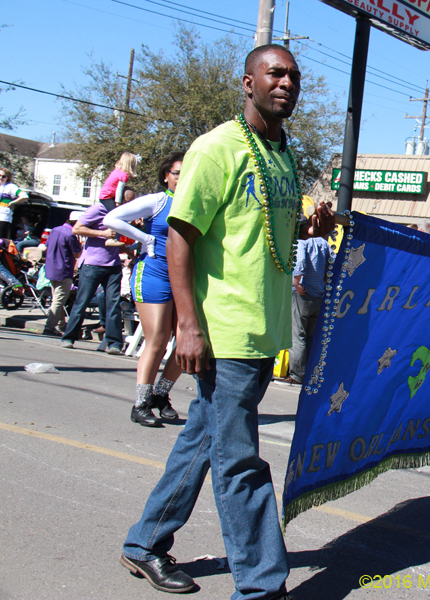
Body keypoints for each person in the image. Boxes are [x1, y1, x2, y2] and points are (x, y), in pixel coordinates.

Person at [120, 44, 334, 599]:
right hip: (225, 331)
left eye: (293, 76)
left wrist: (313, 228)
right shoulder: (216, 148)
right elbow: (180, 237)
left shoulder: (284, 153)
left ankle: (144, 543)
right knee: (239, 461)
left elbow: (264, 236)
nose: (286, 83)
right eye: (275, 73)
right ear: (248, 82)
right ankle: (261, 585)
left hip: (265, 332)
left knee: (203, 438)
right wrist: (189, 326)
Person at [103, 152, 185, 427]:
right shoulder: (158, 200)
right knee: (158, 340)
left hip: (184, 278)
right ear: (166, 176)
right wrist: (145, 238)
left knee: (188, 342)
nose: (181, 177)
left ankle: (161, 394)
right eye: (176, 172)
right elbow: (112, 218)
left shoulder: (196, 202)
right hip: (155, 274)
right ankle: (140, 403)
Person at [60, 186, 127, 354]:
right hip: (93, 263)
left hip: (113, 264)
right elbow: (77, 228)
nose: (127, 204)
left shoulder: (125, 213)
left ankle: (114, 343)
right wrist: (102, 233)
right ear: (115, 199)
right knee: (82, 301)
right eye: (126, 200)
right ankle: (69, 337)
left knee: (113, 303)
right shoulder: (98, 209)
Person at [284, 236, 333, 385]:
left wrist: (296, 284)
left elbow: (300, 263)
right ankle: (310, 373)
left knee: (298, 336)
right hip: (319, 295)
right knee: (311, 337)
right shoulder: (324, 243)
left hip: (303, 294)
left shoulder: (301, 242)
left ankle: (297, 375)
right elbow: (333, 263)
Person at [42, 211, 83, 336]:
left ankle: (62, 325)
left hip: (51, 268)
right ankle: (50, 326)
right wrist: (81, 245)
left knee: (57, 299)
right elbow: (77, 254)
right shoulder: (71, 235)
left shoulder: (55, 230)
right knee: (59, 300)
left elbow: (47, 246)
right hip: (64, 270)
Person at [0, 168, 28, 240]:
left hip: (3, 217)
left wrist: (13, 202)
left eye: (3, 176)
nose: (1, 178)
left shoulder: (10, 187)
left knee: (1, 242)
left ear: (7, 178)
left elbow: (24, 196)